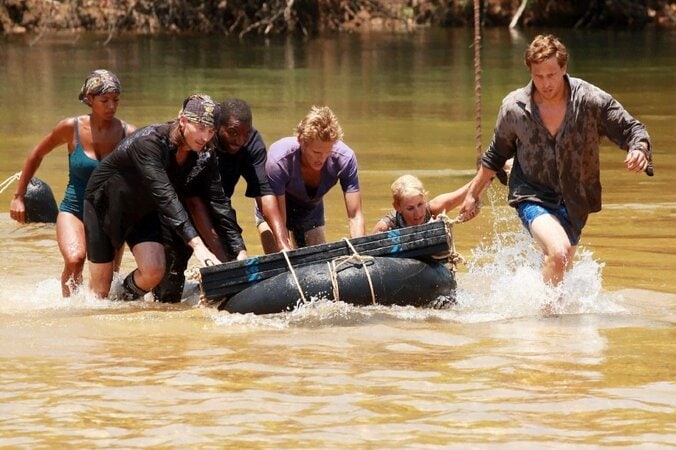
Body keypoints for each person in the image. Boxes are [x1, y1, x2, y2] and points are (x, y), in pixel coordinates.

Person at [459, 34, 653, 287]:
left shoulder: (590, 100)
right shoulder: (514, 107)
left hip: (576, 198)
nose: (546, 83)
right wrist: (474, 193)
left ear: (564, 68)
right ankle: (548, 324)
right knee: (558, 252)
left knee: (560, 269)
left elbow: (632, 129)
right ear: (530, 72)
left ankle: (545, 318)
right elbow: (497, 154)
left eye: (551, 74)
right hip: (532, 193)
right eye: (538, 76)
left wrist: (638, 150)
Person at [84, 94, 244, 300]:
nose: (206, 137)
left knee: (154, 272)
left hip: (144, 211)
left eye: (211, 131)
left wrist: (239, 249)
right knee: (99, 293)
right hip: (104, 205)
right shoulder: (149, 142)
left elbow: (218, 200)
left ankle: (122, 301)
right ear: (183, 121)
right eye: (201, 128)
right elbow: (166, 195)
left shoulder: (205, 152)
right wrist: (199, 247)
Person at [9, 69, 135, 297]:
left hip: (111, 214)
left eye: (115, 100)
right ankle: (69, 309)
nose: (111, 106)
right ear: (89, 99)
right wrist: (18, 196)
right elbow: (36, 154)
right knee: (75, 259)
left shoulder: (129, 134)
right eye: (104, 100)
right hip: (74, 208)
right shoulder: (70, 128)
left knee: (109, 280)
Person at [257, 105, 365, 252]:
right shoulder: (280, 160)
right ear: (301, 141)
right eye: (316, 152)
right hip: (275, 207)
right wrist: (285, 248)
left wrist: (358, 250)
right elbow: (280, 221)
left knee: (319, 259)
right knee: (277, 258)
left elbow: (355, 215)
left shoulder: (345, 158)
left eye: (328, 152)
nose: (322, 158)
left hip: (310, 207)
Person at [372, 175, 470, 233]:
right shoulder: (385, 227)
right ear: (397, 207)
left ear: (425, 198)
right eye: (410, 208)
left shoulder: (434, 209)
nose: (418, 214)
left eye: (420, 204)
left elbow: (470, 190)